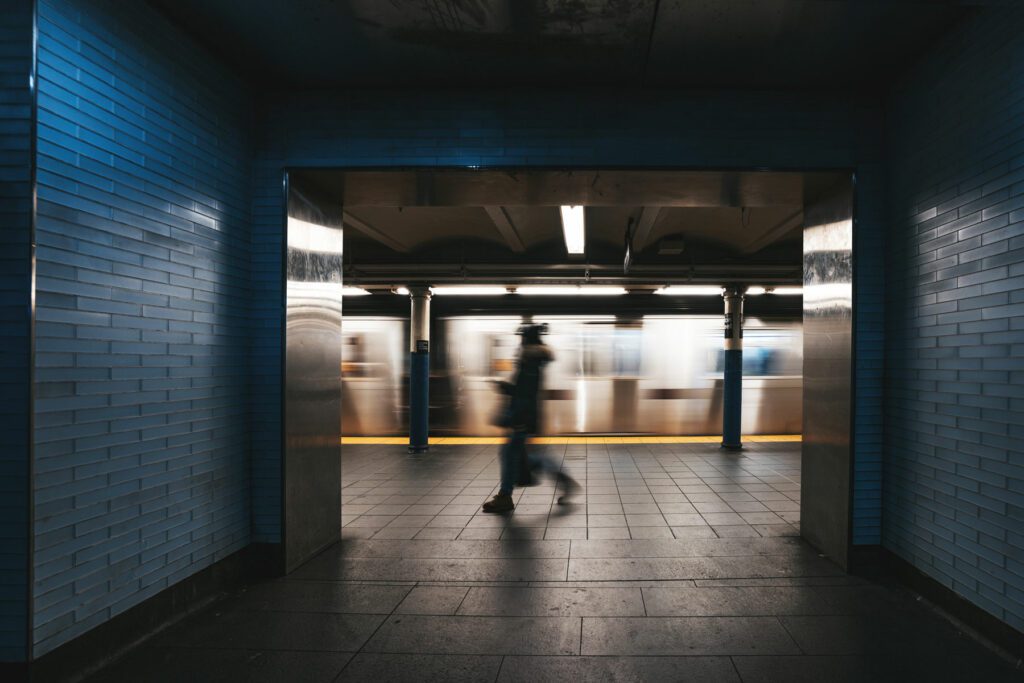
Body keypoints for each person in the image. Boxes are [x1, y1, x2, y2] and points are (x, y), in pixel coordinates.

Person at [482, 324, 578, 513]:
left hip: (522, 417)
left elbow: (524, 394)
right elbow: (525, 391)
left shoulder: (529, 363)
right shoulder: (533, 362)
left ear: (526, 340)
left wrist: (514, 413)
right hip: (527, 417)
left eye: (522, 339)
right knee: (526, 455)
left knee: (511, 453)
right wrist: (506, 387)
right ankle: (564, 481)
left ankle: (505, 496)